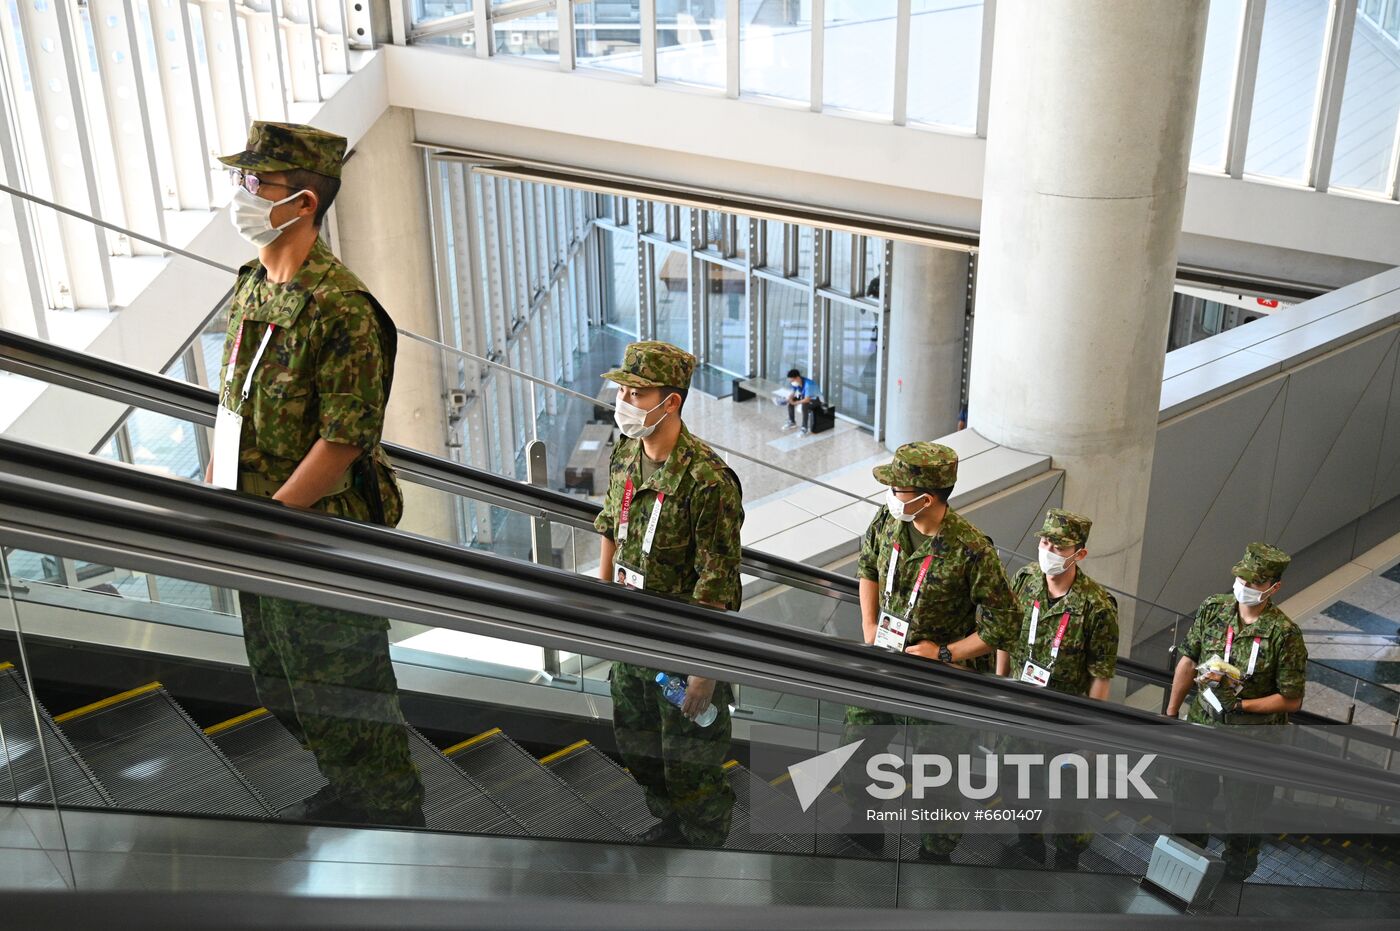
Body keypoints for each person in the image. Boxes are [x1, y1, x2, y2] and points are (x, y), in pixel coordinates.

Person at [209, 121, 424, 827]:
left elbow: (343, 442)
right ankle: (348, 782)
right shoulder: (251, 286)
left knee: (346, 686)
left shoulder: (345, 310)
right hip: (256, 525)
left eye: (257, 183)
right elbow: (234, 403)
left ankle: (395, 814)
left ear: (302, 202)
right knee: (280, 681)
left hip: (315, 533)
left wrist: (271, 520)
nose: (241, 195)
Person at [594, 340, 745, 847]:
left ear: (671, 401)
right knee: (638, 751)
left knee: (692, 768)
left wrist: (704, 671)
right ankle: (669, 824)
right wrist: (604, 602)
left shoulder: (708, 480)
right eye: (622, 389)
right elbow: (610, 525)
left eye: (636, 392)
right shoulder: (625, 452)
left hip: (682, 652)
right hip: (631, 641)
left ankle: (705, 847)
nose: (623, 400)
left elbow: (718, 585)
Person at [839, 442, 1019, 862]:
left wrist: (944, 654)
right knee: (855, 749)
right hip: (883, 664)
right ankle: (866, 824)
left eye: (898, 488)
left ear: (928, 496)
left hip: (941, 682)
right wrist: (868, 625)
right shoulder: (888, 517)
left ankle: (935, 853)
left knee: (938, 776)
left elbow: (1002, 625)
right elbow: (866, 567)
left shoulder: (971, 550)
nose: (890, 495)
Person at [1165, 542, 1307, 881]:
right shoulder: (1214, 609)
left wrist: (1241, 705)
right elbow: (1187, 659)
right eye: (1242, 577)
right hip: (1202, 726)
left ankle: (1232, 888)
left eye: (1255, 582)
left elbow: (1291, 699)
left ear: (1273, 587)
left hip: (1253, 742)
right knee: (1188, 807)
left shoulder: (1284, 634)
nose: (1244, 586)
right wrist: (1170, 715)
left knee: (1243, 818)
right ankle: (1182, 878)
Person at [997, 509, 1119, 870]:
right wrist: (1000, 689)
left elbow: (1101, 675)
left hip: (1066, 726)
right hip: (1021, 717)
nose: (1047, 550)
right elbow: (1005, 633)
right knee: (1017, 789)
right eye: (1045, 541)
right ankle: (1029, 843)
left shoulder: (1097, 606)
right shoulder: (1025, 580)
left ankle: (1068, 860)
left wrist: (1091, 740)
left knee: (1069, 806)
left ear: (1079, 554)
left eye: (1058, 546)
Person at [784, 368, 821, 435]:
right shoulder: (796, 382)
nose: (792, 382)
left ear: (797, 377)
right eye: (791, 381)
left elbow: (807, 399)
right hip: (804, 397)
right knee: (791, 401)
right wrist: (789, 398)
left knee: (804, 405)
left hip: (816, 400)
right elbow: (793, 392)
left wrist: (795, 403)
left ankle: (804, 428)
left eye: (792, 380)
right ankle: (792, 422)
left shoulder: (808, 384)